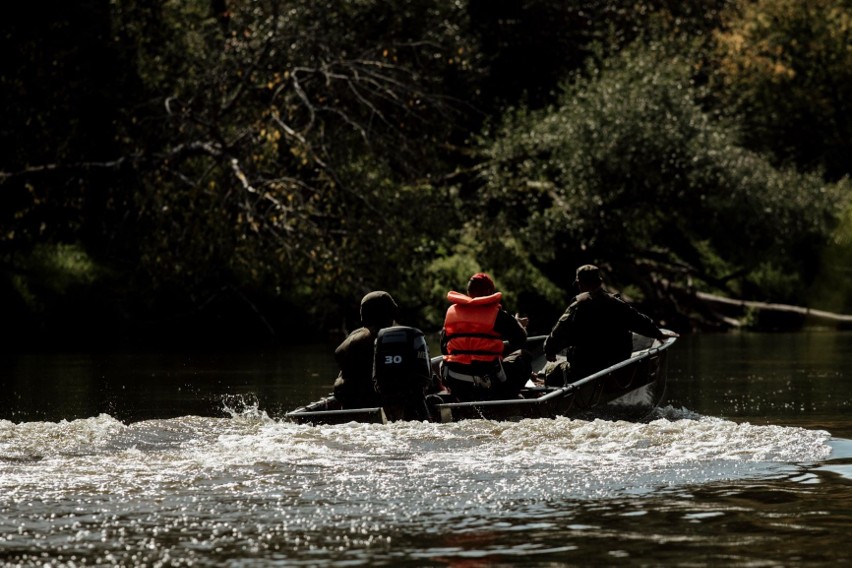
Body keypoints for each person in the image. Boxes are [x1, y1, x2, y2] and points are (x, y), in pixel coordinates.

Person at [543, 264, 677, 385]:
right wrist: (658, 333)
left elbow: (559, 332)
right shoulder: (617, 304)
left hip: (584, 369)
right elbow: (639, 321)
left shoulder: (577, 306)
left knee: (549, 370)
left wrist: (549, 351)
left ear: (580, 284)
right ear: (600, 282)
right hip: (617, 368)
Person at [440, 273, 533, 401]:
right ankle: (508, 396)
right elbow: (520, 340)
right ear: (489, 292)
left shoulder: (451, 312)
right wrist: (518, 324)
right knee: (524, 356)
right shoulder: (498, 315)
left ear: (468, 292)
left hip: (458, 381)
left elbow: (444, 347)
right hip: (488, 384)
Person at [333, 290, 398, 409]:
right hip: (375, 403)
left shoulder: (352, 337)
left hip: (349, 406)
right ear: (387, 314)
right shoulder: (385, 337)